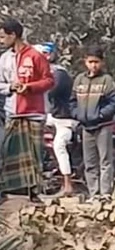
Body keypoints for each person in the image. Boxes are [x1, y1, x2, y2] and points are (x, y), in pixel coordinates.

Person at [0, 18, 54, 200]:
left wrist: (29, 87)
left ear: (13, 35)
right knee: (9, 151)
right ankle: (12, 190)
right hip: (12, 112)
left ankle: (34, 192)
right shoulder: (4, 59)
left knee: (33, 155)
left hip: (33, 113)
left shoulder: (35, 56)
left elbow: (49, 80)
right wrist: (10, 87)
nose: (1, 41)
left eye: (3, 37)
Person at [72, 44, 115, 197]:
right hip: (86, 127)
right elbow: (72, 101)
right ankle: (94, 193)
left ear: (102, 62)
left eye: (96, 62)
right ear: (85, 62)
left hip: (103, 126)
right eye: (90, 62)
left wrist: (101, 115)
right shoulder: (79, 80)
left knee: (105, 161)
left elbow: (114, 103)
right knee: (89, 162)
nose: (93, 65)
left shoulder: (107, 80)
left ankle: (105, 193)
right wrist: (77, 115)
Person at [38, 43, 77, 196]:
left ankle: (68, 183)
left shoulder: (59, 73)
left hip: (65, 118)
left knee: (59, 145)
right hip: (52, 116)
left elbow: (51, 91)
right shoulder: (48, 72)